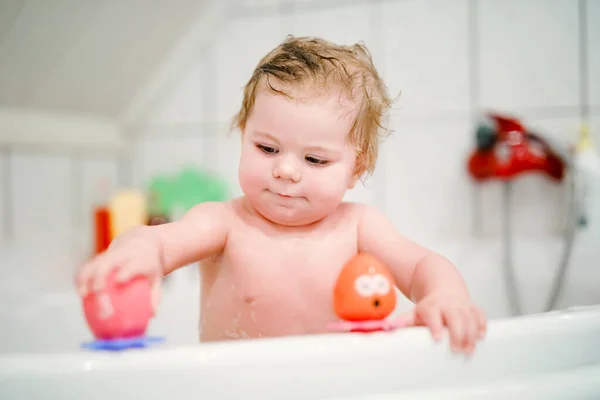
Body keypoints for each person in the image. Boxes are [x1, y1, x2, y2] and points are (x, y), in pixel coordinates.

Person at [76, 35, 487, 354]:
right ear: (244, 137)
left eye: (314, 159)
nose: (285, 170)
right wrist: (138, 255)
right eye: (267, 148)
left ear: (355, 169)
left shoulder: (358, 227)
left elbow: (422, 268)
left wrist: (445, 297)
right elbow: (159, 242)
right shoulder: (224, 223)